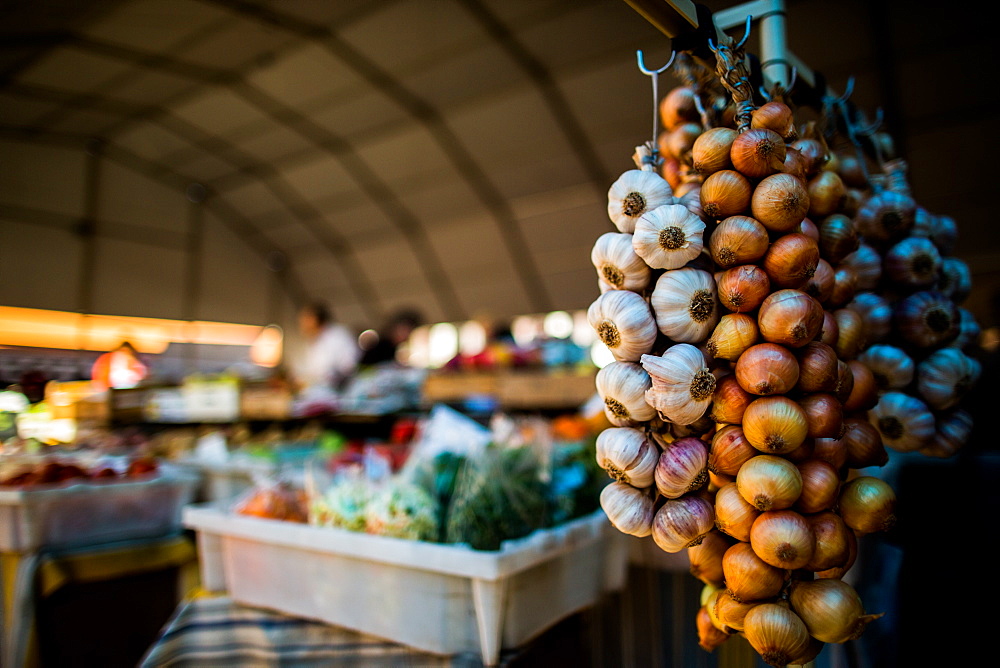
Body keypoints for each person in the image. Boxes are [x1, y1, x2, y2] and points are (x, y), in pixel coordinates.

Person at [292, 302, 360, 393]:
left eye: (304, 319)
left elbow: (347, 367)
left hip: (342, 393)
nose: (301, 324)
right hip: (324, 391)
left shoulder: (338, 336)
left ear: (314, 319)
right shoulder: (314, 340)